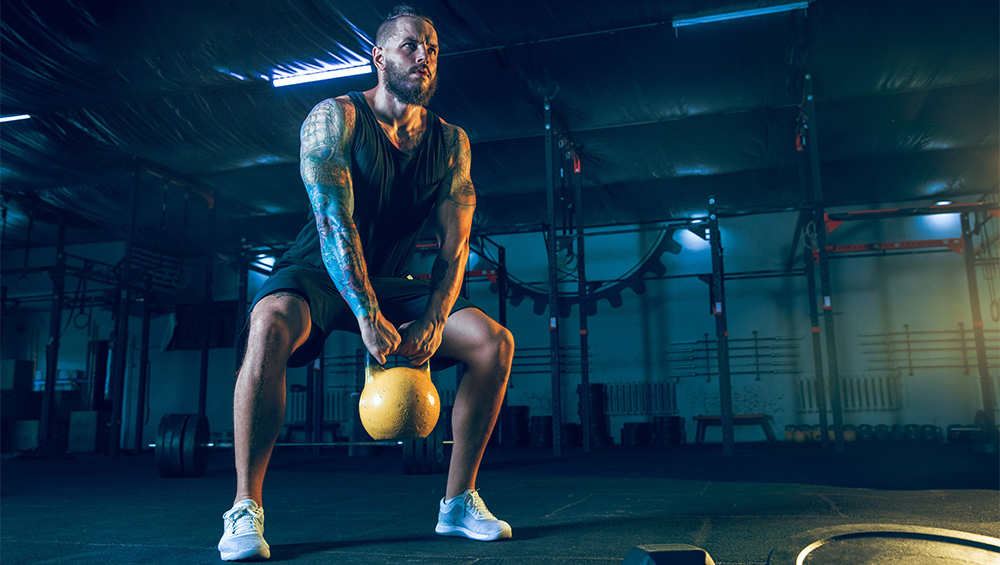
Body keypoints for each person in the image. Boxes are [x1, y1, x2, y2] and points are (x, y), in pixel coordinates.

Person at [217, 5, 515, 561]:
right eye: (410, 46)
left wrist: (430, 318)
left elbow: (454, 249)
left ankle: (458, 502)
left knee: (494, 343)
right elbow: (334, 224)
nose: (424, 57)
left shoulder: (452, 143)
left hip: (395, 277)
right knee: (270, 321)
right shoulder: (335, 118)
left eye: (432, 50)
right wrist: (364, 311)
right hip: (318, 267)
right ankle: (244, 508)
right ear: (378, 57)